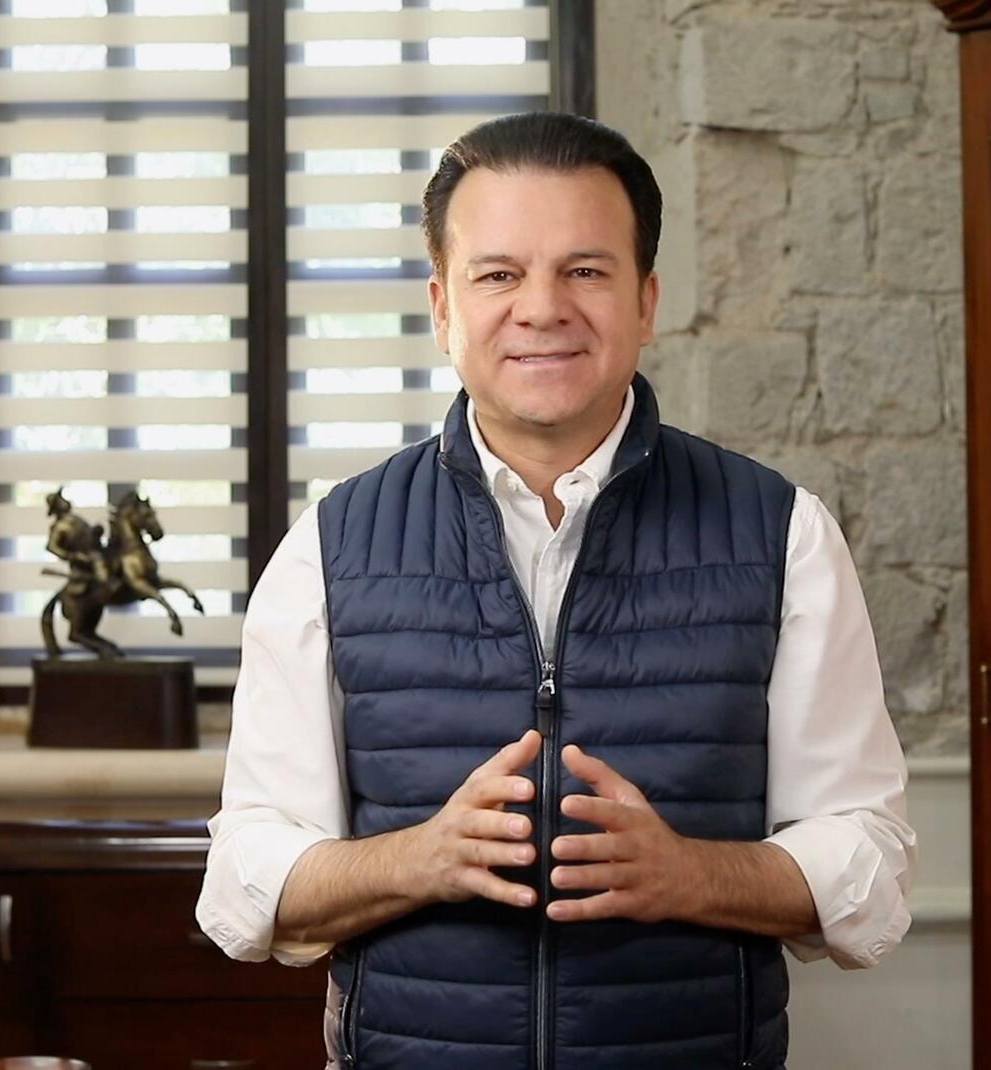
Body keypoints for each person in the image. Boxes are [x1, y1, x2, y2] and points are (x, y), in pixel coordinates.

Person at [197, 111, 915, 1070]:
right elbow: (245, 886)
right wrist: (421, 858)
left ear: (646, 302)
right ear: (443, 307)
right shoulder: (328, 547)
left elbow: (871, 873)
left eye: (585, 270)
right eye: (498, 275)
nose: (542, 309)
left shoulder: (784, 533)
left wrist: (691, 875)